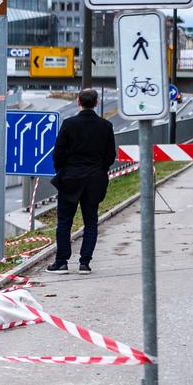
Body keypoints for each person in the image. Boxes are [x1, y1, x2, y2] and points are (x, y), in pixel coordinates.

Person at [47, 88, 116, 275]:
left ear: (79, 102)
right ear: (97, 102)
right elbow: (111, 156)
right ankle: (85, 263)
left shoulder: (69, 124)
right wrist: (100, 170)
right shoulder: (106, 126)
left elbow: (58, 153)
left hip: (70, 179)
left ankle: (61, 262)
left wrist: (62, 170)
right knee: (91, 221)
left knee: (64, 222)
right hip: (94, 180)